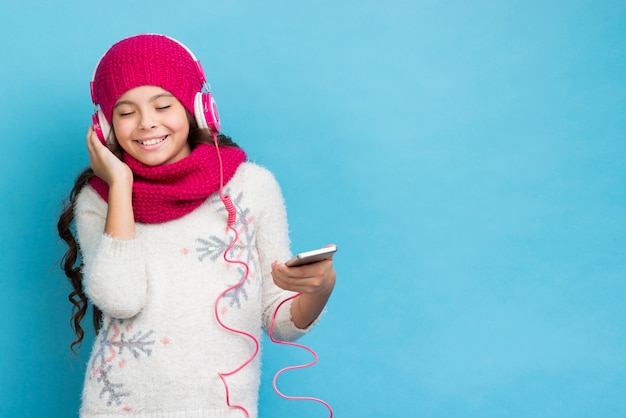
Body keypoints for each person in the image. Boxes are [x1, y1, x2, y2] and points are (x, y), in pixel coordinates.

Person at [57, 33, 336, 417]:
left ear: (198, 109)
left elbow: (282, 321)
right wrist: (120, 185)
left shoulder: (251, 187)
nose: (146, 124)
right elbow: (120, 299)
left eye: (162, 105)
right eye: (125, 112)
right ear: (104, 125)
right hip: (118, 407)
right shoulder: (99, 198)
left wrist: (321, 289)